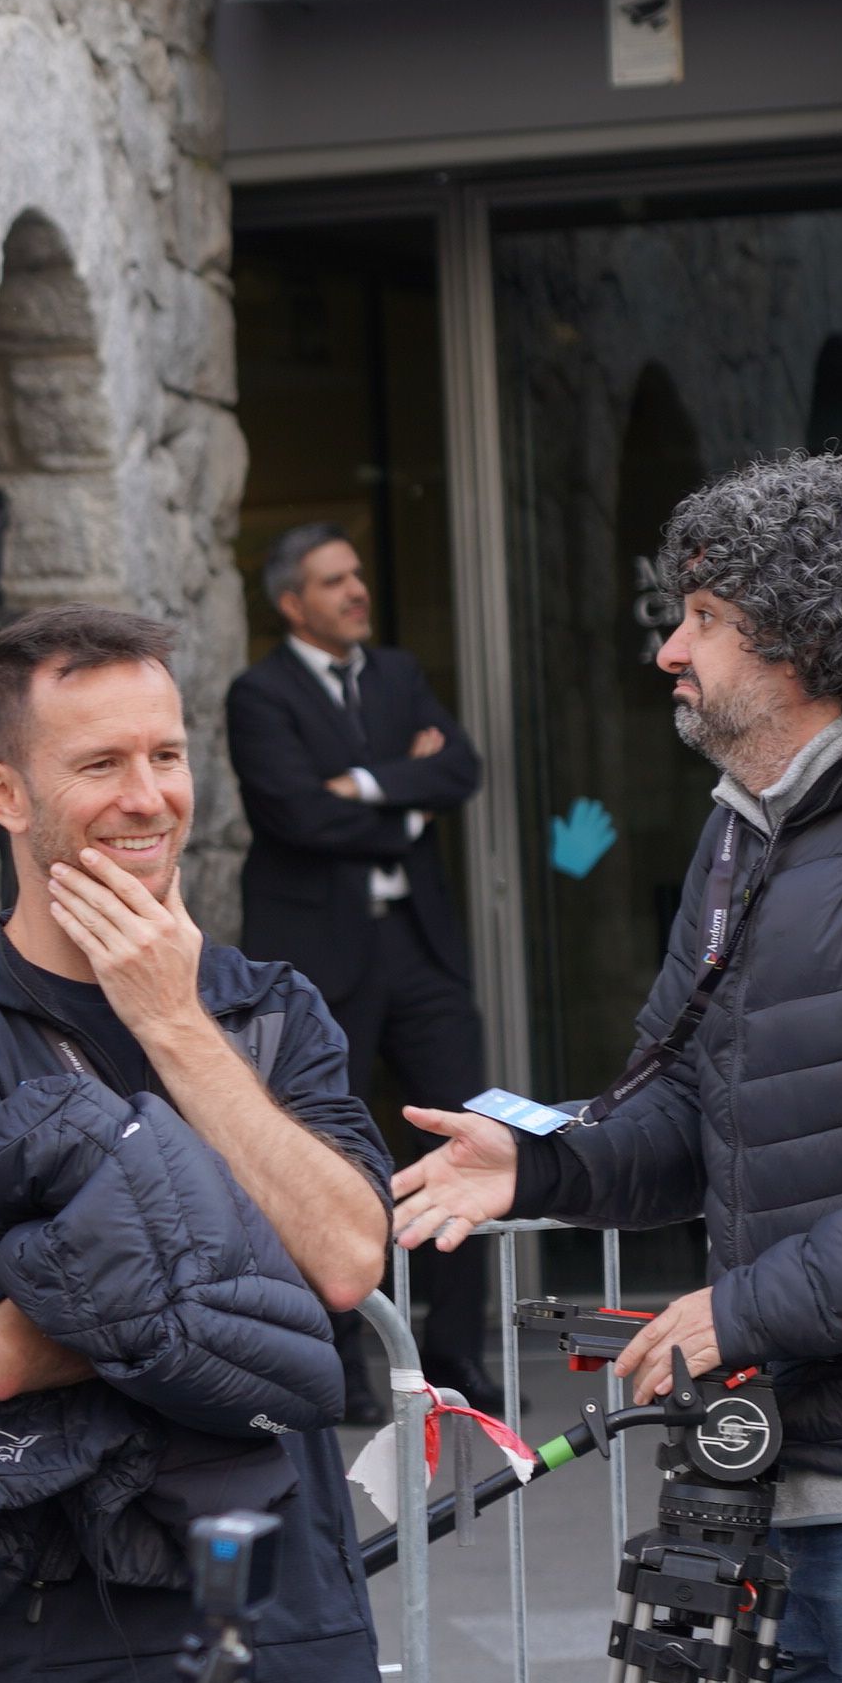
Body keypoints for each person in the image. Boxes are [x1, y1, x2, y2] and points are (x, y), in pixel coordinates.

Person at [393, 454, 842, 1683]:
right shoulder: (749, 833)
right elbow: (691, 1107)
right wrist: (540, 1164)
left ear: (807, 636)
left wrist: (742, 1313)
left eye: (706, 620)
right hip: (811, 1487)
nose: (671, 651)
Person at [0, 605, 390, 1683]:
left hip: (297, 1647)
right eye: (99, 764)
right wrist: (256, 1269)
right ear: (5, 792)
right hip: (73, 1675)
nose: (148, 796)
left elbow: (347, 1258)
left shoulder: (266, 1006)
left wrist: (171, 1024)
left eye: (166, 754)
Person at [226, 523, 497, 1412]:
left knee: (464, 1137)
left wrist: (366, 788)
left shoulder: (398, 675)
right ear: (291, 602)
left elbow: (461, 768)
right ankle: (336, 1370)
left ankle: (459, 1361)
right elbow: (295, 815)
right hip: (322, 957)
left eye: (357, 575)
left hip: (417, 945)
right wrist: (406, 800)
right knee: (316, 1150)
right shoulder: (257, 695)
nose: (356, 592)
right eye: (333, 581)